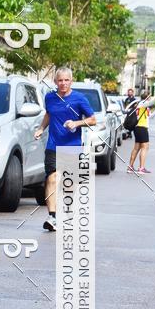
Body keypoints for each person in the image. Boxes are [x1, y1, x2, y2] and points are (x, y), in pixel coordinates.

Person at [34, 67, 96, 232]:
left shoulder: (79, 99)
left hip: (72, 146)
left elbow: (93, 119)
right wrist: (41, 128)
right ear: (55, 82)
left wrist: (76, 123)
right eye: (60, 80)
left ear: (71, 81)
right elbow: (49, 114)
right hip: (53, 145)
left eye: (66, 80)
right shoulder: (50, 97)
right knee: (52, 179)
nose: (63, 83)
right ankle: (52, 217)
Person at [127, 92, 155, 174]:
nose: (150, 99)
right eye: (149, 97)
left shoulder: (145, 107)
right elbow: (151, 102)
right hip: (141, 128)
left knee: (137, 147)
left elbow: (150, 117)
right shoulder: (142, 103)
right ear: (147, 98)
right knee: (145, 147)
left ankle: (130, 167)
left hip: (139, 128)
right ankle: (141, 168)